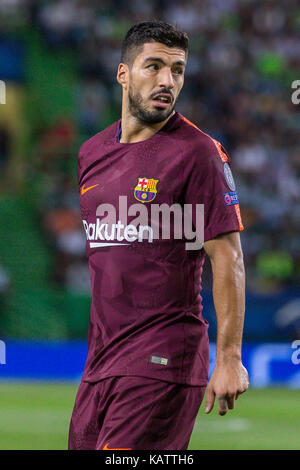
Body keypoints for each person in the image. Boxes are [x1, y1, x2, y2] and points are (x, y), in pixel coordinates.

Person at [68, 20, 249, 451]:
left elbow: (229, 257)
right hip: (100, 362)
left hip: (163, 358)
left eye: (178, 70)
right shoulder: (91, 153)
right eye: (153, 66)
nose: (168, 80)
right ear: (123, 73)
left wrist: (228, 357)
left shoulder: (199, 152)